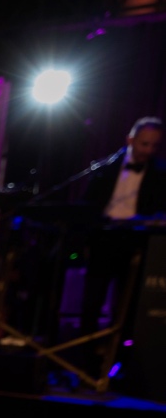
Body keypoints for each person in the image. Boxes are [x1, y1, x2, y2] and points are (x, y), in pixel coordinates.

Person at [80, 116, 165, 332]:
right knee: (93, 297)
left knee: (129, 300)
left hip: (137, 240)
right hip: (104, 237)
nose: (148, 150)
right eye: (144, 144)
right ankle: (86, 348)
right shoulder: (105, 168)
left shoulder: (161, 173)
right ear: (130, 140)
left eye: (154, 145)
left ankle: (119, 348)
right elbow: (87, 206)